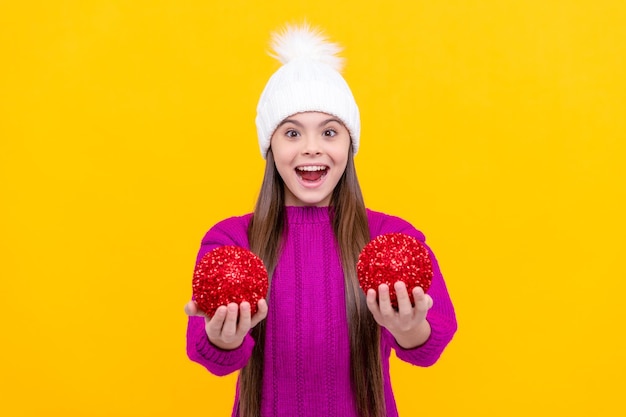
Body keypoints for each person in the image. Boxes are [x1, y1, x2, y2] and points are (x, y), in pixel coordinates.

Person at [185, 23, 457, 417]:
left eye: (329, 132)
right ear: (269, 145)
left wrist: (407, 327)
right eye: (292, 133)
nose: (312, 148)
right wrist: (223, 336)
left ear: (350, 143)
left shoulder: (392, 237)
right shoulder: (231, 239)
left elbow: (429, 348)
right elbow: (213, 359)